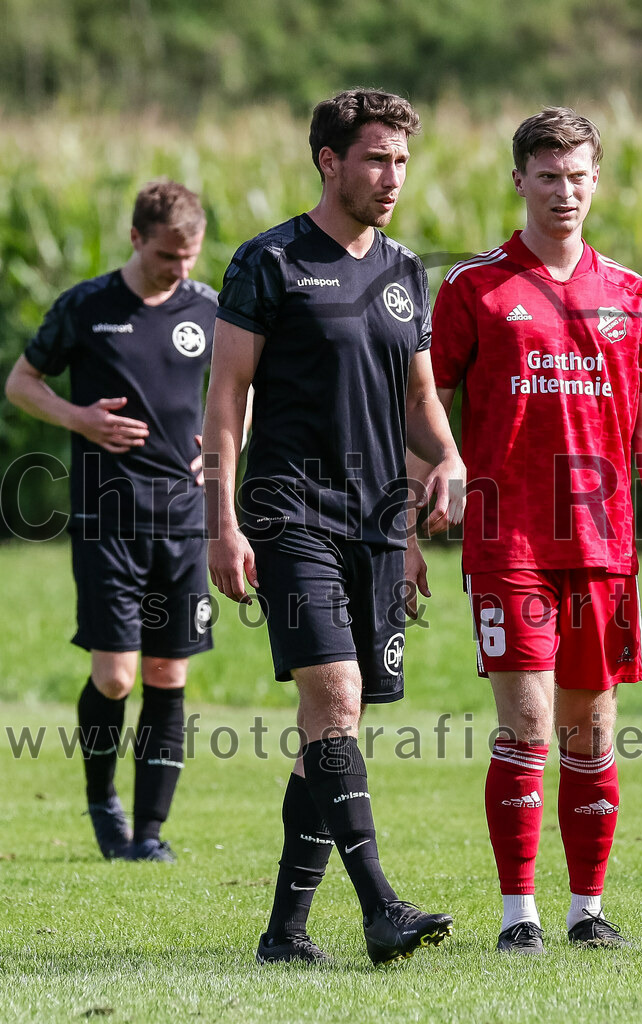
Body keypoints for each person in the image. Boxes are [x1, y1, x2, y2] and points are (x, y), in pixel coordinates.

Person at [410, 107, 642, 953]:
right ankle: (517, 916)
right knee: (527, 727)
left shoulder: (631, 295)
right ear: (519, 181)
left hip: (604, 545)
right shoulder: (474, 287)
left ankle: (587, 910)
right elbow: (423, 409)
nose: (563, 193)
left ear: (596, 181)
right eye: (547, 176)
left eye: (577, 177)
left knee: (591, 731)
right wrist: (410, 518)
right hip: (510, 543)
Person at [203, 88, 465, 966]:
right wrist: (221, 523)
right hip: (288, 513)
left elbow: (420, 401)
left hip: (375, 523)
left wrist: (449, 465)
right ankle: (382, 907)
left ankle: (283, 933)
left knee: (334, 732)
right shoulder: (267, 261)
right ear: (329, 160)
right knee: (336, 700)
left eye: (401, 160)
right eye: (376, 159)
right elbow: (226, 397)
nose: (393, 177)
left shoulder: (403, 271)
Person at [4, 180, 217, 863]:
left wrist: (222, 446)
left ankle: (150, 834)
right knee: (116, 677)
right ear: (135, 239)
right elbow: (22, 382)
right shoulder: (88, 308)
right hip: (109, 519)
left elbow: (248, 385)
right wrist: (80, 419)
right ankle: (103, 800)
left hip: (185, 520)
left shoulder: (209, 308)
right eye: (165, 256)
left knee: (167, 672)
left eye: (189, 256)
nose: (179, 269)